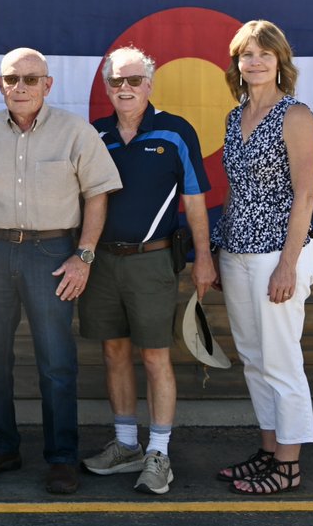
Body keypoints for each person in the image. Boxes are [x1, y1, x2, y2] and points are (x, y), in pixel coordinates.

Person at [0, 48, 121, 495]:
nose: (20, 87)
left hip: (53, 254)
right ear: (0, 85)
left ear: (48, 85)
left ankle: (61, 458)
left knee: (56, 362)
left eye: (31, 79)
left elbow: (98, 195)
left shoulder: (75, 132)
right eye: (12, 79)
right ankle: (1, 445)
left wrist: (83, 255)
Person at [79, 46, 214, 495]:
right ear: (106, 88)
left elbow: (194, 201)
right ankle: (125, 446)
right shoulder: (94, 134)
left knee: (155, 356)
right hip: (101, 263)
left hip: (153, 261)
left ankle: (159, 453)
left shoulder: (175, 132)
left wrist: (203, 259)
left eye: (134, 80)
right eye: (116, 81)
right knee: (114, 353)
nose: (125, 88)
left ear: (150, 84)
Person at [212, 20, 313, 496]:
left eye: (264, 54)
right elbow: (237, 191)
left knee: (281, 361)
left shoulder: (295, 115)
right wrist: (220, 249)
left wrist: (287, 264)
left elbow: (306, 194)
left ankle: (289, 466)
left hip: (278, 252)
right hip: (236, 252)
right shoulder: (236, 117)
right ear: (236, 63)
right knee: (255, 361)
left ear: (280, 62)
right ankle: (270, 450)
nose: (254, 62)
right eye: (246, 54)